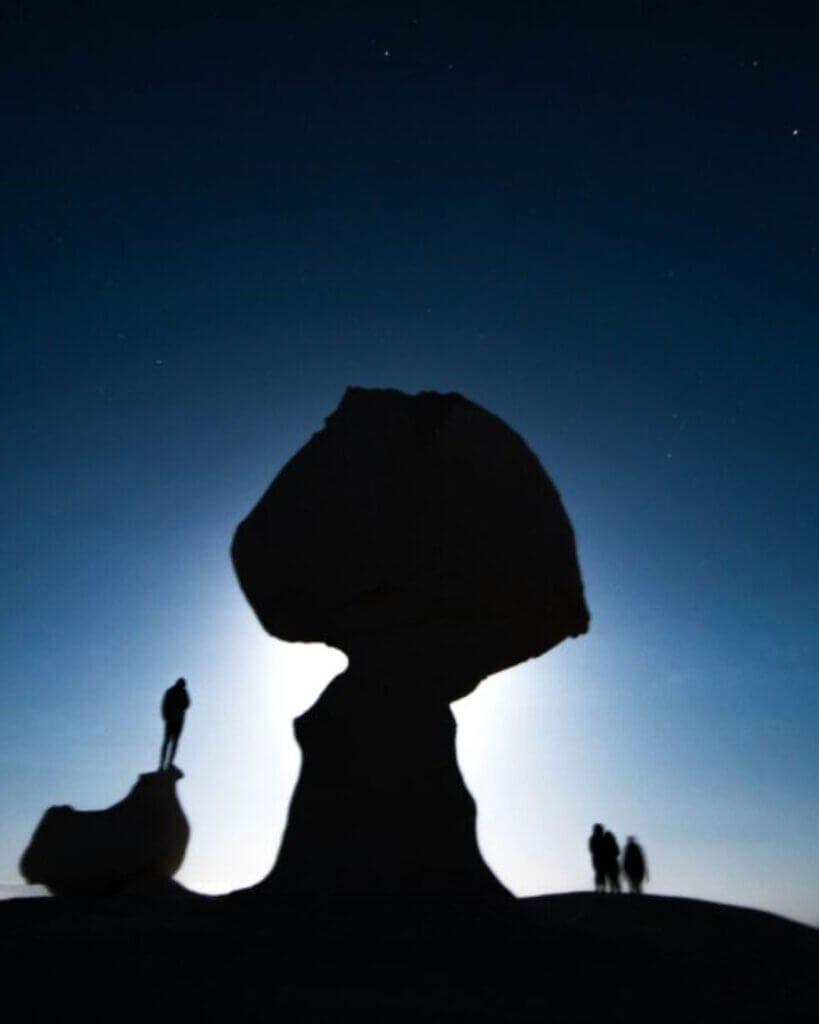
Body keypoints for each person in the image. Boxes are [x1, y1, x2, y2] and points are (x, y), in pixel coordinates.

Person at [159, 677, 190, 771]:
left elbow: (187, 704)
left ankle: (169, 763)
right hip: (171, 720)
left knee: (174, 743)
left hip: (178, 721)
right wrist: (165, 716)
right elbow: (164, 704)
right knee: (167, 742)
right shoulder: (170, 692)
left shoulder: (183, 692)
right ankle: (162, 764)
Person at [588, 823, 607, 892]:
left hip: (599, 859)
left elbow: (591, 849)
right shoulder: (596, 838)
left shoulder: (596, 838)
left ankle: (600, 888)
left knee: (600, 873)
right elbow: (591, 849)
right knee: (600, 873)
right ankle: (600, 888)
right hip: (598, 858)